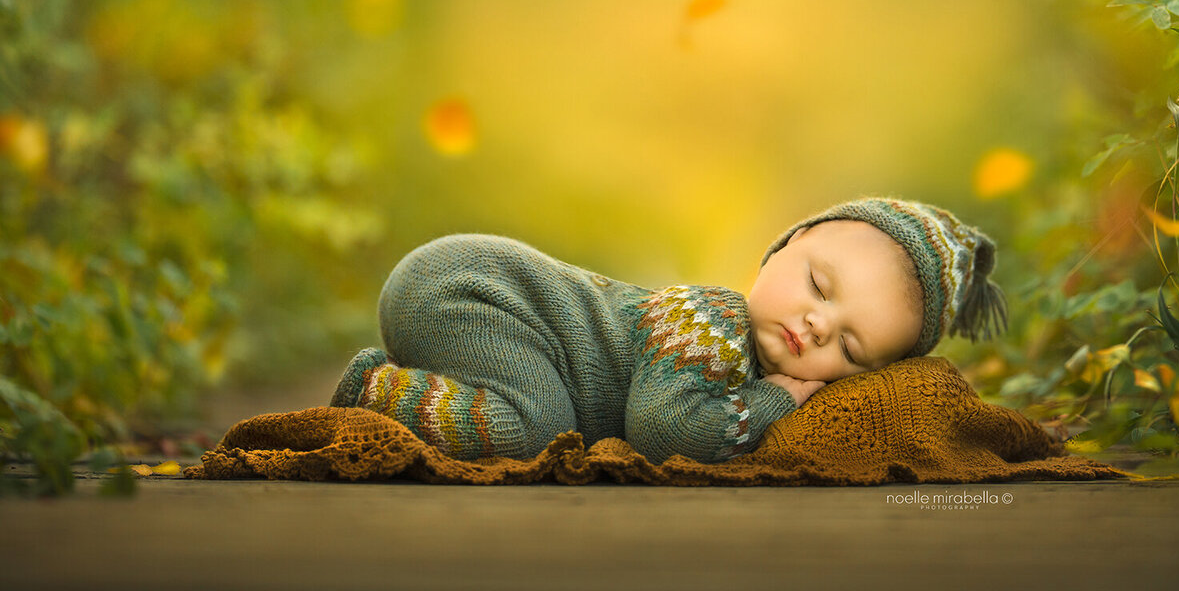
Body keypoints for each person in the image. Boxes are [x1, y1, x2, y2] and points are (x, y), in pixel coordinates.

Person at [330, 197, 1007, 464]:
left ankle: (424, 384)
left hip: (479, 301)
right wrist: (776, 400)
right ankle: (375, 388)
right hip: (475, 287)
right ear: (779, 250)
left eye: (851, 348)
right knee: (535, 429)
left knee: (541, 413)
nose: (817, 325)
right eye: (818, 287)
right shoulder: (710, 321)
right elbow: (666, 428)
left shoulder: (740, 356)